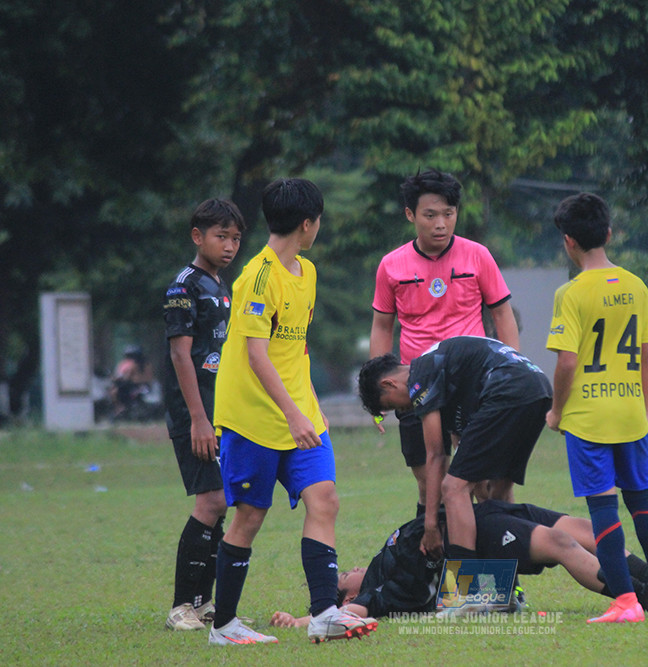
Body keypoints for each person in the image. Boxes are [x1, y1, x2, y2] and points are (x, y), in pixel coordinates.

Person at [208, 178, 376, 646]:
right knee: (249, 517)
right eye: (318, 221)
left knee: (325, 500)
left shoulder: (308, 272)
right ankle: (223, 627)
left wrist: (310, 409)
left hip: (301, 415)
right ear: (309, 223)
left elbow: (293, 350)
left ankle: (324, 612)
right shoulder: (257, 277)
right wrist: (292, 413)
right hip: (253, 417)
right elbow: (257, 356)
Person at [545, 192, 648, 624]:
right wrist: (645, 411)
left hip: (588, 419)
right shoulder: (636, 285)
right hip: (631, 414)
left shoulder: (569, 294)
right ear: (609, 234)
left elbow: (567, 361)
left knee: (603, 511)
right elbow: (647, 355)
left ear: (568, 242)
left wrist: (556, 412)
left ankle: (627, 602)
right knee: (645, 503)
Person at [267, 500, 648, 625]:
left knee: (578, 526)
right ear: (348, 590)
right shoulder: (378, 590)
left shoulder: (380, 564)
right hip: (469, 562)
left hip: (477, 516)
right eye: (344, 576)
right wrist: (306, 617)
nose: (350, 570)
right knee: (559, 542)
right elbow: (346, 615)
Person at [369, 168, 520, 517]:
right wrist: (378, 390)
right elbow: (381, 327)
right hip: (416, 385)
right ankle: (443, 567)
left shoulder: (478, 256)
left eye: (448, 214)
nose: (441, 224)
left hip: (472, 380)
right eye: (430, 215)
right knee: (430, 486)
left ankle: (505, 561)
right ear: (410, 215)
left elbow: (502, 316)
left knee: (482, 483)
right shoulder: (391, 266)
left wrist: (511, 369)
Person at [357, 336, 551, 563]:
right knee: (496, 495)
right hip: (537, 389)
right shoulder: (444, 370)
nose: (404, 409)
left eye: (393, 405)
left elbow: (437, 455)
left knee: (453, 488)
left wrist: (431, 525)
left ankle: (464, 592)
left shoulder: (419, 377)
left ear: (389, 384)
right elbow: (464, 447)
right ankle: (506, 587)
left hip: (507, 389)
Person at [162, 198, 245, 631]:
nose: (229, 246)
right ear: (198, 237)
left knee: (221, 502)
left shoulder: (220, 286)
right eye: (221, 236)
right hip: (195, 414)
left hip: (221, 412)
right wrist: (198, 418)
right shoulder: (185, 285)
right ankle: (180, 607)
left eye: (235, 238)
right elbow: (180, 355)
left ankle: (203, 602)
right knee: (211, 501)